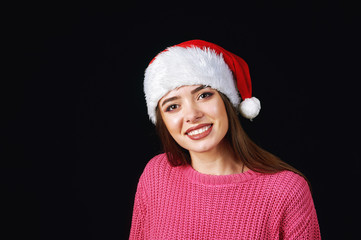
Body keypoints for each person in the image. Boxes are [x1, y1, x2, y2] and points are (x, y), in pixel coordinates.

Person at [129, 40, 321, 239]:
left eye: (204, 95)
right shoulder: (157, 174)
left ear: (226, 101)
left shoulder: (286, 191)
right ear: (163, 122)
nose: (192, 115)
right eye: (172, 106)